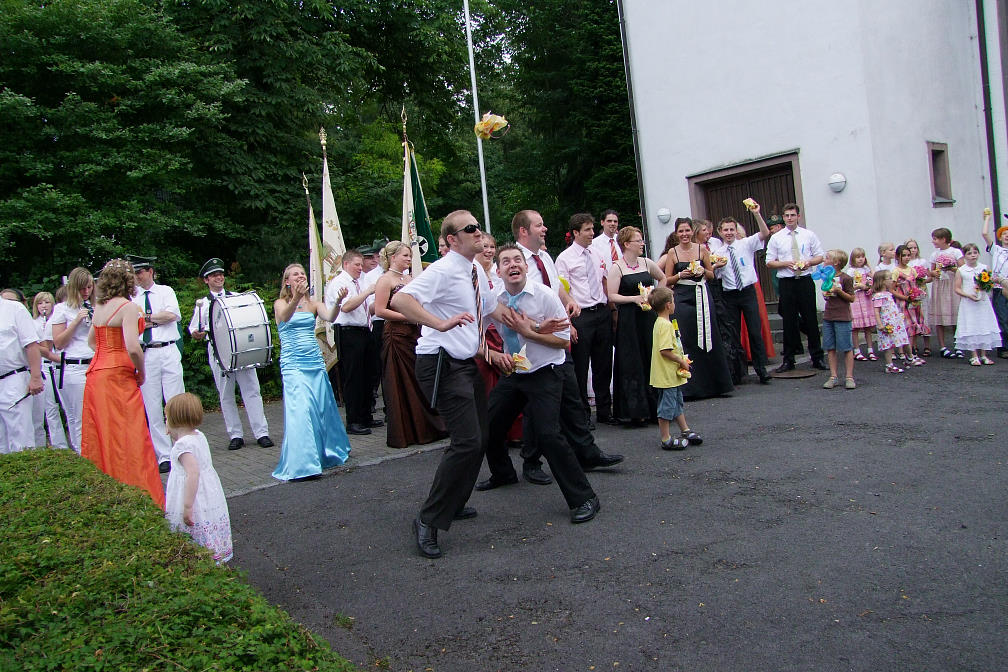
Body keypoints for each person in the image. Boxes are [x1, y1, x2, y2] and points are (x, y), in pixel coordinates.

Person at [390, 210, 503, 559]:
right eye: (470, 229)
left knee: (480, 437)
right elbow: (400, 300)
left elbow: (494, 310)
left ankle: (454, 503)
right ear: (452, 239)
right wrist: (438, 323)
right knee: (467, 441)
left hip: (465, 362)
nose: (478, 232)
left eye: (478, 226)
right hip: (440, 363)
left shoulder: (474, 270)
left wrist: (537, 324)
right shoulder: (443, 270)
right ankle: (428, 519)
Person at [478, 244, 601, 524]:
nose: (513, 265)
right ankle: (503, 473)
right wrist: (494, 355)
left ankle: (585, 498)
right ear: (499, 271)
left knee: (548, 435)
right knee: (489, 425)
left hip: (546, 370)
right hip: (515, 371)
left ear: (525, 266)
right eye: (506, 261)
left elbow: (563, 341)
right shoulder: (494, 298)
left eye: (517, 260)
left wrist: (529, 332)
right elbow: (476, 331)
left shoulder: (544, 295)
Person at [79, 259, 164, 508]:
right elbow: (133, 348)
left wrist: (106, 355)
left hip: (96, 376)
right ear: (128, 281)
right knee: (129, 434)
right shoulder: (128, 307)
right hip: (118, 376)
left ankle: (107, 495)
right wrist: (141, 372)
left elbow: (92, 342)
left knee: (104, 434)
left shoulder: (99, 306)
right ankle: (138, 495)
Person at [273, 264, 351, 480]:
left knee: (319, 408)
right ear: (287, 281)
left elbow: (330, 317)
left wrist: (338, 302)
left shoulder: (314, 303)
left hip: (314, 362)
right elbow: (285, 318)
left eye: (302, 273)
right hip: (294, 364)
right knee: (301, 409)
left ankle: (324, 451)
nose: (300, 276)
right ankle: (302, 463)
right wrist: (296, 298)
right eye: (295, 274)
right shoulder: (281, 303)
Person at [187, 258, 273, 451]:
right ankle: (235, 435)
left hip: (241, 348)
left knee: (252, 390)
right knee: (226, 395)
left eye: (220, 274)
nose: (219, 277)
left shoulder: (236, 298)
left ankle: (262, 433)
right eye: (214, 275)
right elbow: (194, 329)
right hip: (218, 352)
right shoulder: (203, 304)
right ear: (206, 280)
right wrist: (197, 334)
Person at [373, 240, 447, 449]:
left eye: (409, 255)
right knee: (402, 381)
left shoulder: (409, 278)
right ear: (392, 257)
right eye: (405, 255)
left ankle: (428, 426)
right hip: (397, 336)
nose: (409, 259)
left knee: (419, 378)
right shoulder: (384, 280)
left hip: (414, 334)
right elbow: (380, 310)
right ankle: (408, 431)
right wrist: (408, 316)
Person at [663, 218, 734, 398]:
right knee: (687, 337)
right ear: (676, 233)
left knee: (709, 335)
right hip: (682, 297)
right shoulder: (672, 252)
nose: (684, 234)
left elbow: (711, 275)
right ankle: (691, 387)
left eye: (687, 230)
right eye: (681, 231)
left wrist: (703, 271)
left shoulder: (702, 249)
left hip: (701, 294)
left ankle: (715, 384)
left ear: (692, 232)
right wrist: (680, 275)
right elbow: (667, 279)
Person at [555, 213, 614, 426]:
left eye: (592, 229)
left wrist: (611, 310)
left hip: (602, 311)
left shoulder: (597, 254)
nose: (592, 233)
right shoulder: (564, 258)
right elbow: (561, 291)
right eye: (587, 230)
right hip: (581, 315)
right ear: (576, 233)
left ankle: (605, 410)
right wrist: (569, 323)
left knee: (603, 364)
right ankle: (583, 415)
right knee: (580, 367)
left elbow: (604, 281)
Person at [129, 255, 185, 473]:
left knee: (175, 402)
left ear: (150, 271)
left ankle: (181, 448)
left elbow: (172, 315)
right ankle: (163, 455)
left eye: (140, 272)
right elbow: (132, 324)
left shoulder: (165, 291)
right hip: (146, 352)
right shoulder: (131, 297)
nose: (137, 277)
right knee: (152, 406)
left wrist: (145, 318)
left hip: (168, 349)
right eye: (135, 273)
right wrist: (154, 318)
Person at [164, 392, 233, 563]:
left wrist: (187, 506)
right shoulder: (199, 436)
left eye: (166, 418)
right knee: (208, 519)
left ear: (174, 420)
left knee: (194, 521)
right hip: (208, 491)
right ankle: (215, 552)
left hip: (193, 495)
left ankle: (197, 557)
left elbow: (192, 473)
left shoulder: (182, 446)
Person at [609, 225, 665, 423]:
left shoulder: (647, 262)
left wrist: (656, 297)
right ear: (626, 244)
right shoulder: (617, 267)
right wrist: (633, 299)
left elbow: (662, 278)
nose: (642, 244)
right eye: (638, 240)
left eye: (642, 240)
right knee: (632, 360)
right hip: (629, 319)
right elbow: (611, 295)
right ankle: (635, 410)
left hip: (648, 316)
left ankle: (658, 407)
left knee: (652, 357)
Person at [713, 205, 772, 384]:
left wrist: (756, 213)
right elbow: (714, 275)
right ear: (720, 232)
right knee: (733, 334)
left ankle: (761, 369)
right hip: (729, 295)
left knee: (754, 331)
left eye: (732, 229)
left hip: (747, 292)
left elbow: (765, 233)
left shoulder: (745, 244)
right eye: (725, 230)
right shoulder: (718, 253)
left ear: (736, 231)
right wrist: (715, 267)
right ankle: (738, 371)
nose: (729, 233)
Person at [765, 203, 827, 372]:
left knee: (810, 319)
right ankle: (788, 359)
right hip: (787, 282)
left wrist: (808, 262)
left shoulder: (808, 235)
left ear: (798, 216)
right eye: (787, 215)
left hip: (804, 280)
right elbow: (769, 262)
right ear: (783, 218)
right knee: (789, 321)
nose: (790, 218)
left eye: (792, 215)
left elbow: (820, 256)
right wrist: (786, 263)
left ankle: (817, 357)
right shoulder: (777, 238)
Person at [325, 249, 379, 435]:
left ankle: (366, 416)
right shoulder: (340, 283)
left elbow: (365, 308)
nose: (360, 268)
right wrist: (368, 292)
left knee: (367, 375)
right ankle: (353, 420)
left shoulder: (360, 282)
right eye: (357, 264)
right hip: (348, 333)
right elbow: (347, 306)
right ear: (346, 264)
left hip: (364, 330)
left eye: (361, 265)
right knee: (353, 377)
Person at [649, 287, 700, 451]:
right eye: (673, 301)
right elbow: (664, 350)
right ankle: (666, 438)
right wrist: (681, 361)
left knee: (677, 401)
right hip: (667, 375)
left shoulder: (661, 322)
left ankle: (685, 429)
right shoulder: (665, 325)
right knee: (667, 405)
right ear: (668, 305)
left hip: (670, 374)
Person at [50, 267, 95, 453]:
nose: (86, 292)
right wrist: (76, 321)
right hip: (75, 366)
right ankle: (82, 455)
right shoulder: (62, 309)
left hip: (95, 363)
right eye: (82, 288)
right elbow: (58, 343)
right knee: (79, 417)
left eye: (89, 287)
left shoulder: (95, 305)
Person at [0, 293, 44, 453]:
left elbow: (32, 345)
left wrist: (36, 377)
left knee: (20, 436)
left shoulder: (14, 309)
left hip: (13, 378)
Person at [31, 291, 68, 448]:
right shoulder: (33, 323)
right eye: (40, 303)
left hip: (60, 365)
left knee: (65, 405)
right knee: (50, 407)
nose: (43, 306)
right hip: (45, 366)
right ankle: (59, 444)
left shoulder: (57, 319)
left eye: (47, 302)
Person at [953, 243, 1000, 366]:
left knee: (983, 325)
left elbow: (990, 284)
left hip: (982, 301)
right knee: (971, 325)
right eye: (969, 253)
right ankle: (974, 355)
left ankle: (984, 354)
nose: (973, 255)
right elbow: (957, 288)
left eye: (975, 252)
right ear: (964, 256)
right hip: (969, 302)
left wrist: (986, 287)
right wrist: (968, 295)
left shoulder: (984, 268)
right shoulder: (961, 270)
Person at [819, 250, 857, 389]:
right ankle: (833, 376)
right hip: (829, 315)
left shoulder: (846, 278)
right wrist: (826, 294)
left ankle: (849, 377)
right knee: (830, 347)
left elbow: (851, 298)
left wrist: (839, 291)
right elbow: (826, 295)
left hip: (842, 317)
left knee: (846, 347)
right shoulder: (826, 277)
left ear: (836, 262)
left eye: (827, 258)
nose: (824, 260)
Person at [928, 228, 965, 358]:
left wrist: (951, 267)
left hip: (952, 284)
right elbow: (931, 272)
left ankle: (958, 345)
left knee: (956, 316)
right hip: (940, 286)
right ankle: (942, 346)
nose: (933, 241)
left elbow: (962, 269)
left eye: (935, 239)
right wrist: (934, 273)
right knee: (940, 317)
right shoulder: (935, 254)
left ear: (943, 239)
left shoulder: (956, 252)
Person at [893, 245, 928, 366]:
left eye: (908, 255)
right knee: (906, 327)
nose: (907, 257)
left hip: (913, 302)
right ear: (898, 257)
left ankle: (912, 352)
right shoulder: (896, 271)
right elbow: (892, 289)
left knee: (914, 326)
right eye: (904, 255)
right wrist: (905, 298)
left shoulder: (912, 270)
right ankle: (906, 354)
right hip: (903, 302)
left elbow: (916, 285)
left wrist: (918, 294)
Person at [980, 211, 1008, 358]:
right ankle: (1003, 347)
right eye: (1004, 234)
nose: (1007, 236)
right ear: (1000, 237)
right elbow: (985, 234)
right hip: (999, 287)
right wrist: (987, 218)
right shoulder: (996, 250)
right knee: (1002, 317)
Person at [871, 270, 910, 374]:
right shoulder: (879, 296)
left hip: (894, 322)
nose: (892, 280)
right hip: (886, 324)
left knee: (902, 339)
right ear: (882, 281)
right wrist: (880, 324)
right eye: (889, 278)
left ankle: (909, 357)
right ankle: (889, 365)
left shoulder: (888, 294)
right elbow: (876, 311)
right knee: (887, 344)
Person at [844, 248, 877, 361]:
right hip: (856, 299)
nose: (861, 259)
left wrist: (869, 265)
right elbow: (848, 287)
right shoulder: (851, 271)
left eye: (862, 256)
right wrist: (858, 286)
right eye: (858, 257)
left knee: (868, 327)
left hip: (866, 298)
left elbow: (874, 277)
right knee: (856, 327)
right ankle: (857, 351)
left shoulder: (866, 269)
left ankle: (870, 350)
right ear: (853, 258)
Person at [905, 238, 933, 356]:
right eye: (910, 248)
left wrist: (921, 280)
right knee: (913, 318)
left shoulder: (922, 261)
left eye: (915, 247)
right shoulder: (905, 264)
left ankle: (927, 346)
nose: (913, 250)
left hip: (922, 291)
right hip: (910, 292)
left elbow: (930, 277)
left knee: (924, 317)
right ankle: (914, 346)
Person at [590, 209, 623, 275]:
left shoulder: (623, 240)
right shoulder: (594, 244)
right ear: (602, 222)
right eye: (609, 221)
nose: (613, 224)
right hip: (605, 279)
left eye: (615, 221)